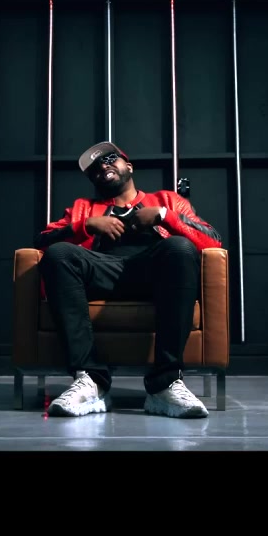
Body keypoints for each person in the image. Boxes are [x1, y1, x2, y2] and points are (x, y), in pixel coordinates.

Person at [33, 141, 223, 419]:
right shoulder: (83, 208)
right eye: (95, 168)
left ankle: (165, 383)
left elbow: (212, 239)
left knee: (180, 248)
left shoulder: (168, 200)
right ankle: (91, 380)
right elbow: (41, 240)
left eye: (110, 158)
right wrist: (86, 225)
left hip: (152, 275)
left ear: (129, 166)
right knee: (59, 254)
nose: (103, 166)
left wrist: (163, 216)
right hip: (102, 274)